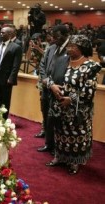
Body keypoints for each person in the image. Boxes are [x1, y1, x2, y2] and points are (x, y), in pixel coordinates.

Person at [45, 35, 101, 175]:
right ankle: (59, 157)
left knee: (76, 136)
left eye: (73, 46)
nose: (68, 48)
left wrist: (71, 99)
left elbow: (89, 90)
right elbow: (47, 77)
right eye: (68, 45)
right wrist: (52, 86)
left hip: (78, 110)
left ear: (82, 49)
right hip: (59, 106)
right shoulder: (62, 61)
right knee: (59, 133)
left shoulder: (91, 66)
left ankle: (74, 161)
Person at [37, 25, 70, 152]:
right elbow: (42, 65)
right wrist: (47, 81)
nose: (53, 39)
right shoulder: (51, 48)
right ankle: (49, 143)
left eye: (56, 36)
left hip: (60, 90)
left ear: (64, 35)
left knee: (58, 120)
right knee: (47, 116)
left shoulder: (71, 49)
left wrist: (53, 85)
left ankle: (59, 147)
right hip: (47, 88)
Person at [0, 26, 23, 119]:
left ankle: (3, 119)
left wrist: (11, 78)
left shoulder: (16, 47)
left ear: (10, 34)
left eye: (3, 33)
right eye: (0, 32)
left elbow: (16, 65)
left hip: (6, 78)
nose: (1, 34)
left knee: (5, 100)